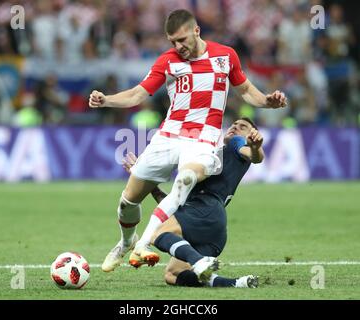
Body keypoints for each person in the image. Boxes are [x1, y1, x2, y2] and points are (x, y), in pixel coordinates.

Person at [89, 9, 286, 272]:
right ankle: (127, 242)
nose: (177, 46)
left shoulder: (225, 56)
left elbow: (247, 91)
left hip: (202, 139)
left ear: (196, 31)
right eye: (172, 41)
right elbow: (138, 95)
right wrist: (107, 100)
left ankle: (144, 242)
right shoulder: (167, 61)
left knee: (185, 179)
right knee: (128, 201)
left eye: (181, 40)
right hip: (168, 136)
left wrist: (266, 102)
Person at [122, 118, 263, 288]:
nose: (235, 127)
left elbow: (254, 157)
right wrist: (146, 181)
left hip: (205, 209)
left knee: (156, 234)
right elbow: (174, 204)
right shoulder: (210, 157)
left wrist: (255, 147)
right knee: (173, 275)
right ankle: (237, 283)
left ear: (250, 135)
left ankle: (199, 261)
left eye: (243, 127)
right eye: (234, 124)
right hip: (213, 225)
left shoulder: (235, 144)